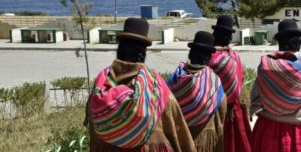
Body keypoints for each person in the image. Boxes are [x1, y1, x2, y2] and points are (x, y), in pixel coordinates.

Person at [86, 17, 196, 151]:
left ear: (120, 49)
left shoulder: (100, 85)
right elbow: (176, 126)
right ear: (142, 54)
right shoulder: (155, 85)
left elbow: (93, 130)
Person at [250, 19, 301, 152]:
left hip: (269, 128)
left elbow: (256, 95)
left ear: (280, 43)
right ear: (298, 43)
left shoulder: (266, 66)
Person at [167, 31, 227, 152]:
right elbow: (222, 111)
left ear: (191, 53)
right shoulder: (213, 81)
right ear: (209, 57)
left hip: (181, 142)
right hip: (206, 141)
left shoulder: (173, 80)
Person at [209, 15, 252, 152]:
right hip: (216, 109)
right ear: (218, 34)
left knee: (236, 141)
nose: (229, 38)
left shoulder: (231, 54)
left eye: (230, 34)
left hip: (233, 107)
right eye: (226, 34)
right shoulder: (209, 55)